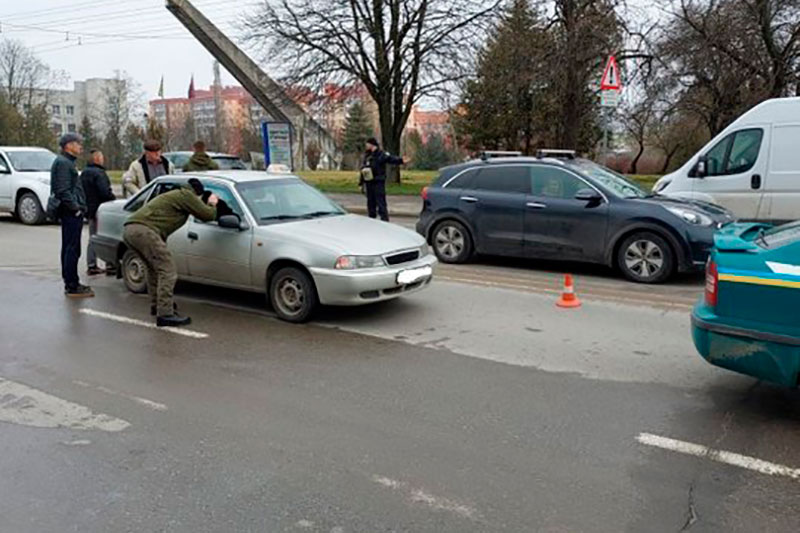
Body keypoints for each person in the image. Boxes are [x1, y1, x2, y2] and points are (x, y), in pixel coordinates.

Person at [123, 178, 218, 327]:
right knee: (168, 271)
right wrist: (212, 203)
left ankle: (157, 306)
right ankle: (165, 314)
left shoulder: (176, 194)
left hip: (131, 230)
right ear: (197, 193)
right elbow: (207, 215)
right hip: (144, 231)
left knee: (154, 269)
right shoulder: (186, 195)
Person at [50, 133, 93, 298]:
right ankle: (72, 285)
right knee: (71, 248)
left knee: (72, 248)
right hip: (70, 213)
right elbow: (62, 190)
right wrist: (76, 208)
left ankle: (72, 281)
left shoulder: (67, 162)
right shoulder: (63, 163)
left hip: (71, 211)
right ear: (68, 145)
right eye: (77, 143)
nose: (80, 146)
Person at [80, 149, 116, 276]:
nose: (103, 159)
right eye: (101, 157)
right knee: (107, 236)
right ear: (96, 159)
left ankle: (91, 264)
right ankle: (111, 264)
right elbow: (104, 192)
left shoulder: (84, 173)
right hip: (101, 209)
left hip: (89, 209)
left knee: (93, 237)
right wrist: (113, 199)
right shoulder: (99, 173)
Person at [359, 137, 409, 222]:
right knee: (371, 203)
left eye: (367, 144)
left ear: (372, 144)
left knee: (380, 202)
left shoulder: (380, 154)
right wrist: (361, 183)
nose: (366, 146)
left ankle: (384, 220)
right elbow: (363, 170)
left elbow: (390, 159)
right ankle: (371, 220)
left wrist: (400, 160)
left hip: (378, 182)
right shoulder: (367, 156)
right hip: (369, 182)